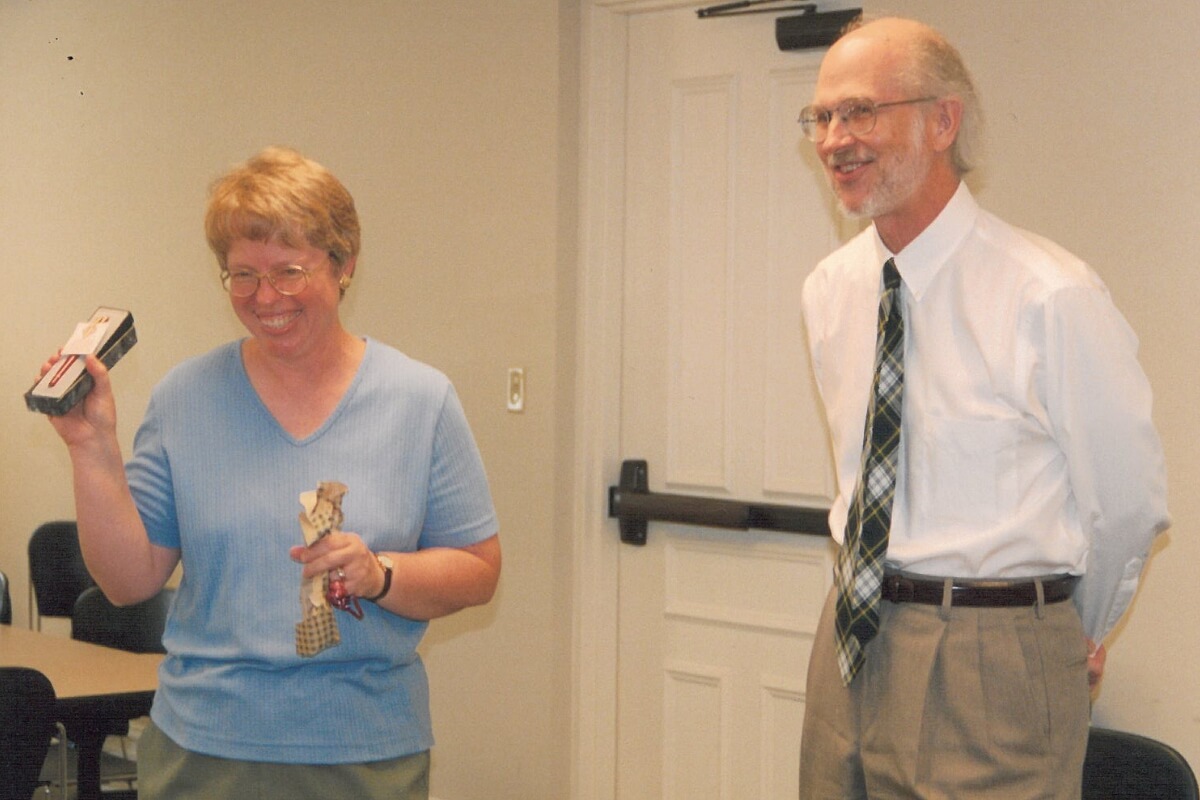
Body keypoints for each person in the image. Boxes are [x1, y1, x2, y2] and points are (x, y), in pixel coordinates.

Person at [41, 146, 501, 799]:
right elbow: (126, 581)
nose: (266, 298)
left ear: (343, 266)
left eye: (289, 271)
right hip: (203, 752)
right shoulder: (185, 397)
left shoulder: (419, 400)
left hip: (364, 754)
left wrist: (380, 575)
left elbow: (479, 570)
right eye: (242, 276)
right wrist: (92, 450)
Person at [796, 17, 1168, 799]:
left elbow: (1126, 505)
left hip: (991, 662)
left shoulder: (1049, 295)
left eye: (861, 111)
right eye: (822, 117)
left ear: (943, 121)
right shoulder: (830, 291)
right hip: (851, 642)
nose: (834, 139)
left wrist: (1070, 631)